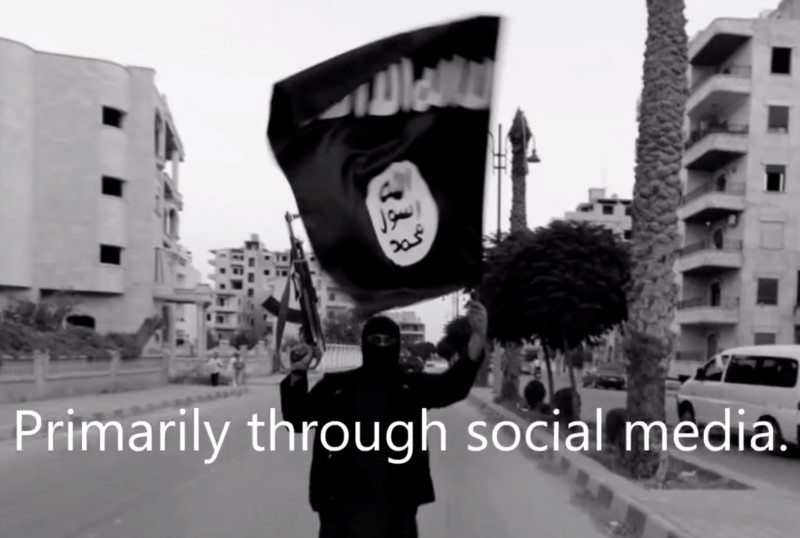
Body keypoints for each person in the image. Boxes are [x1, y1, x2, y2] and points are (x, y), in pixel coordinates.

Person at [281, 301, 488, 538]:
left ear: (397, 345)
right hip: (341, 511)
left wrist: (479, 337)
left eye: (388, 341)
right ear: (364, 344)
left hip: (396, 511)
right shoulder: (336, 386)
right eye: (375, 340)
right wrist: (298, 370)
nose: (381, 346)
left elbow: (454, 385)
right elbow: (296, 419)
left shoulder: (410, 386)